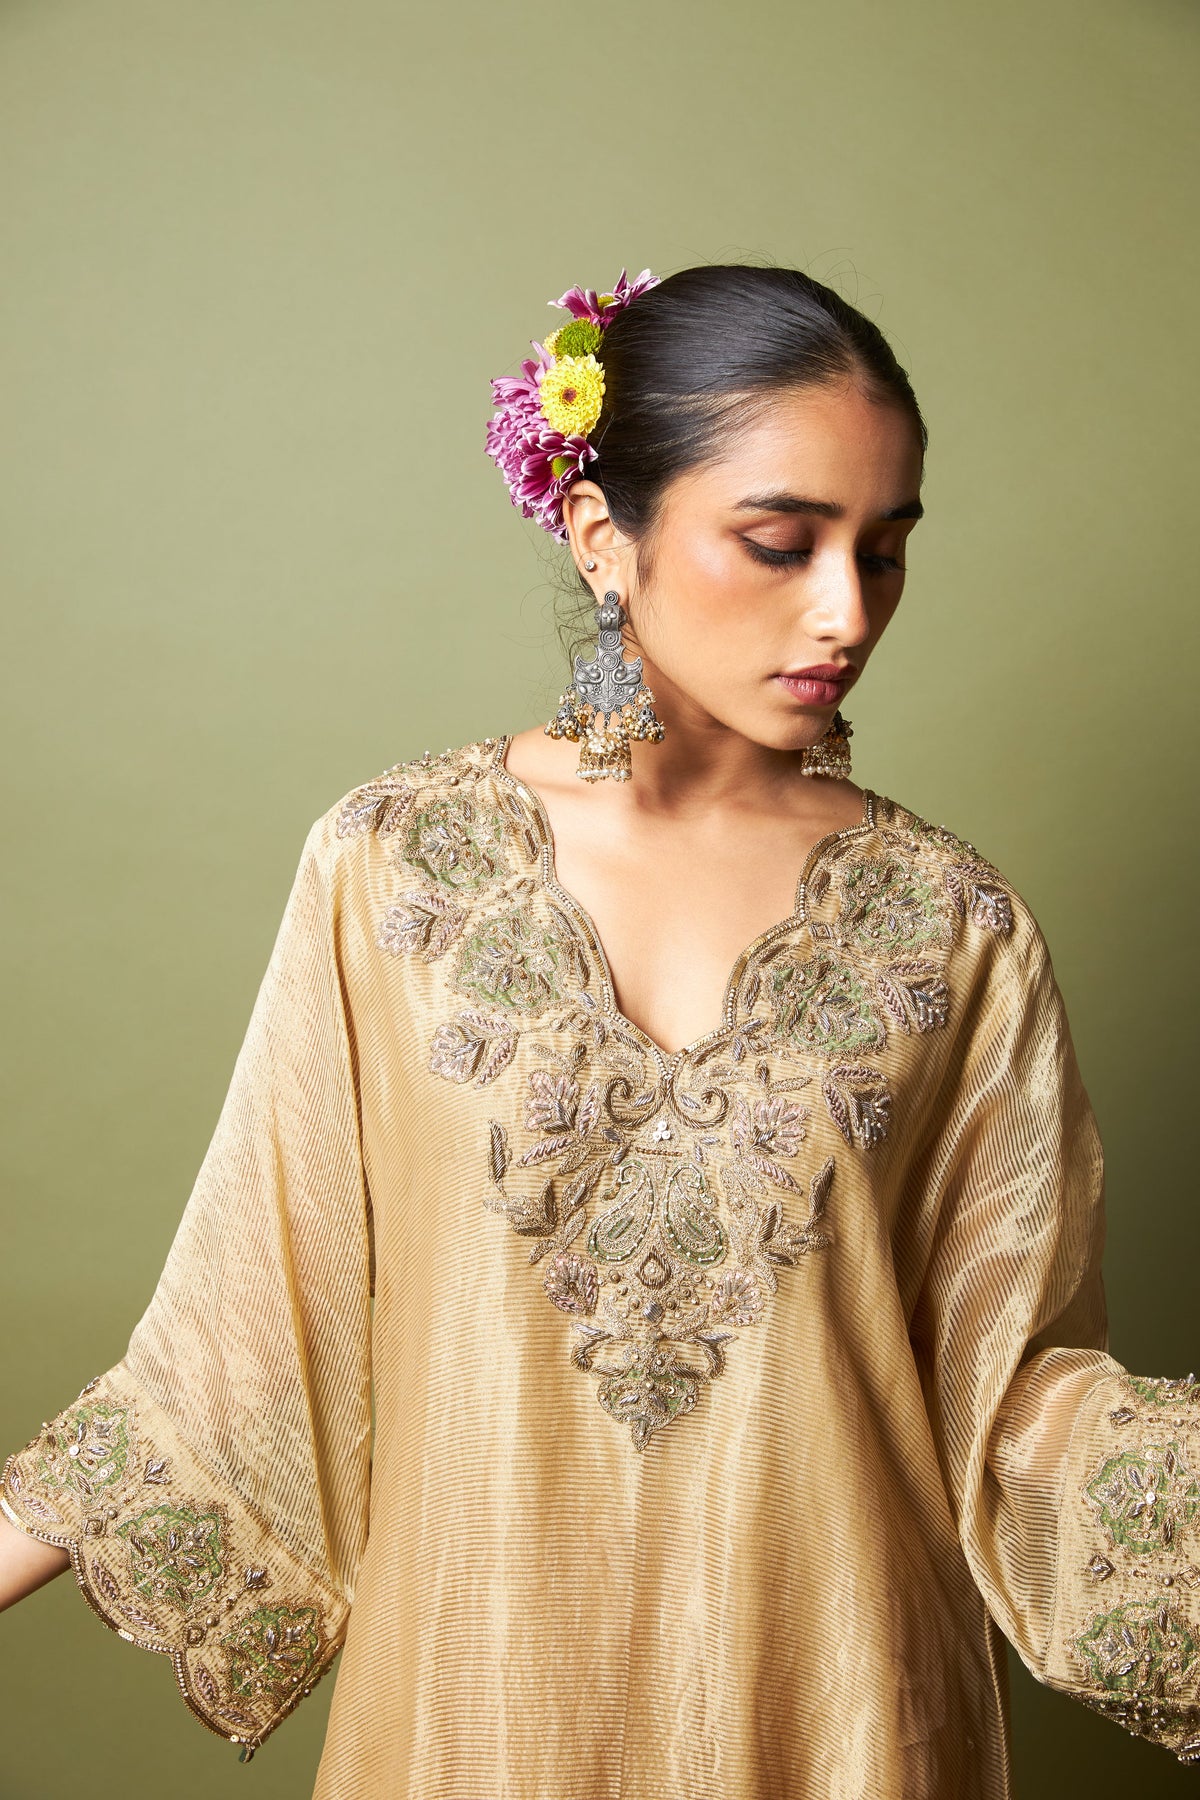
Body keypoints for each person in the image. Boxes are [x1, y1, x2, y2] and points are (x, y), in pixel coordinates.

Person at [2, 261, 1197, 1799]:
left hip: (841, 1717)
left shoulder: (954, 932)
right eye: (781, 543)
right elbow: (244, 1335)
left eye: (885, 552)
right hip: (479, 1712)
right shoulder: (396, 870)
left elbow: (1020, 1406)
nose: (845, 611)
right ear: (600, 538)